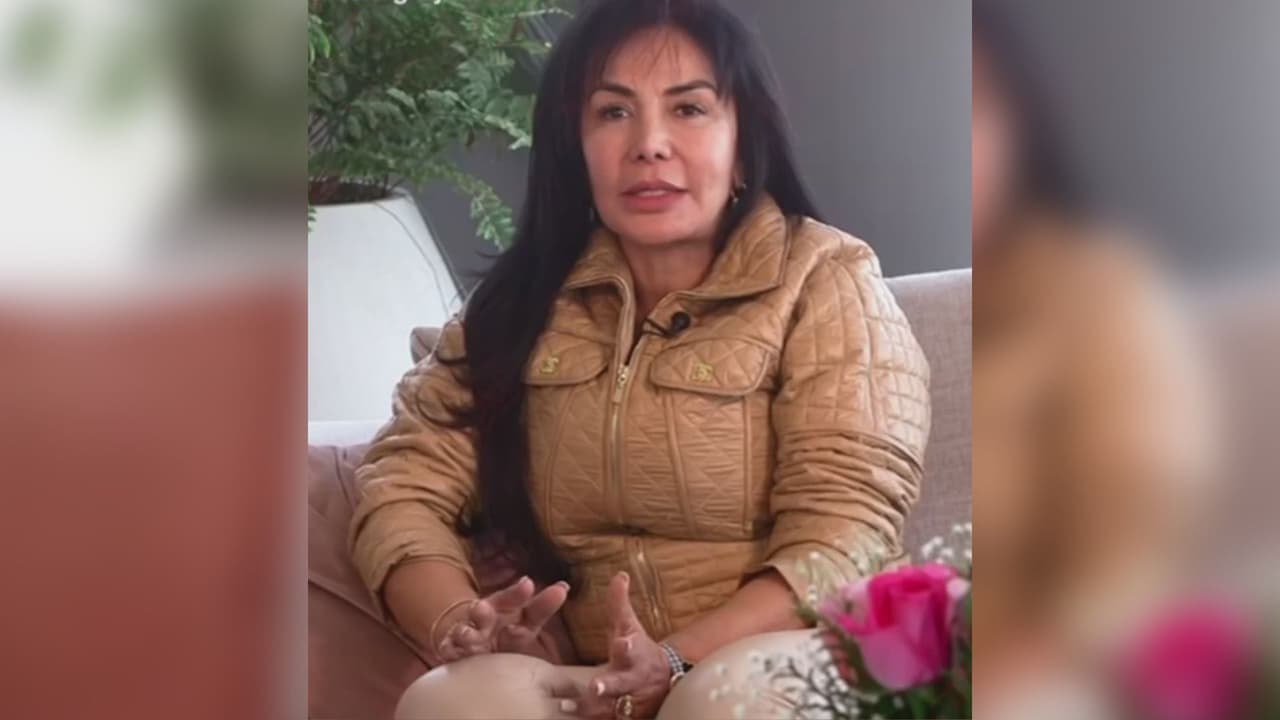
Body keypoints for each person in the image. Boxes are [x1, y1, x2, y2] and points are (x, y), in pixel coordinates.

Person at [349, 1, 930, 717]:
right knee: (457, 699)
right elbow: (403, 483)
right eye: (613, 112)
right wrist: (459, 621)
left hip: (811, 651)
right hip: (600, 674)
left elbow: (848, 533)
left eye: (689, 109)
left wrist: (677, 658)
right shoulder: (521, 305)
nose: (649, 144)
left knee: (724, 701)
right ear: (576, 146)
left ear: (744, 143)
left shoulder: (825, 279)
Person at [972, 4, 1214, 718]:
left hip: (1053, 673)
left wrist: (1020, 670)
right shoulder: (911, 315)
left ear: (1019, 121)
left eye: (974, 105)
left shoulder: (1102, 291)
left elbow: (1137, 546)